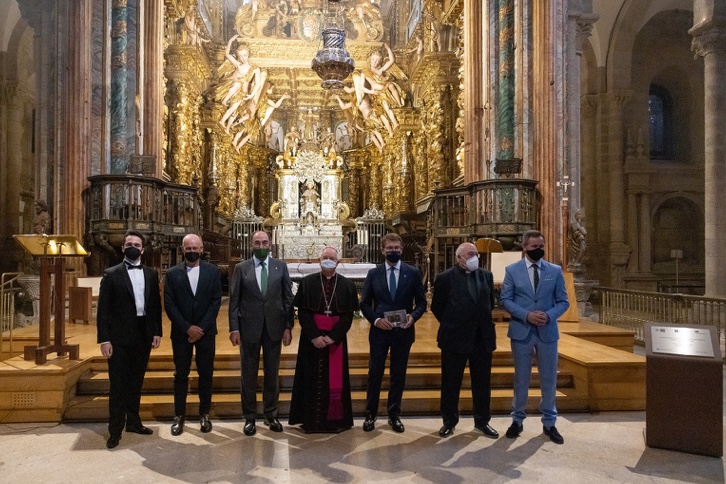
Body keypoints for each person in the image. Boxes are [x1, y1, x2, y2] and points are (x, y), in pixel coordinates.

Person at [500, 229, 570, 444]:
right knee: (521, 377)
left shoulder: (555, 270)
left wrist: (548, 316)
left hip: (547, 332)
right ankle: (517, 419)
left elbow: (563, 301)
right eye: (534, 247)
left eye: (541, 246)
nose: (538, 250)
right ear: (524, 247)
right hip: (522, 330)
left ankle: (550, 422)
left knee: (549, 378)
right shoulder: (512, 270)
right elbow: (505, 299)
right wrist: (527, 315)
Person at [96, 230, 162, 449]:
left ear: (142, 249)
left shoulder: (152, 274)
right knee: (118, 385)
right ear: (123, 248)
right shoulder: (111, 274)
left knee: (136, 382)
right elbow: (103, 310)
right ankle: (115, 430)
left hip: (143, 336)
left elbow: (154, 306)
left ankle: (133, 422)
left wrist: (156, 332)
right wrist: (104, 339)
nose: (133, 246)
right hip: (118, 338)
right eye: (129, 243)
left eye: (137, 244)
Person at [360, 233, 427, 433]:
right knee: (375, 373)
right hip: (380, 331)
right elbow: (364, 303)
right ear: (383, 250)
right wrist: (376, 320)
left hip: (403, 331)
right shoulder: (374, 274)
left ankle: (394, 414)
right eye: (389, 248)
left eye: (397, 248)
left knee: (398, 374)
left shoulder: (412, 272)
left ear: (401, 249)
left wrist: (413, 317)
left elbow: (422, 302)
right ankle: (370, 414)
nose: (393, 251)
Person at [229, 231, 294, 436]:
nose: (261, 246)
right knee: (248, 375)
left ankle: (270, 414)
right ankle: (249, 417)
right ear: (251, 245)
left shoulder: (280, 267)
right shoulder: (241, 268)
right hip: (249, 328)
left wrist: (288, 327)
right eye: (257, 243)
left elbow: (288, 299)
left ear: (271, 244)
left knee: (272, 374)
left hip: (274, 328)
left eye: (264, 242)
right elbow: (234, 301)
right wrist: (234, 328)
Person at [431, 242, 499, 439]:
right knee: (451, 382)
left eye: (476, 254)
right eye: (470, 254)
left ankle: (482, 421)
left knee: (482, 383)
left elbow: (490, 304)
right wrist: (453, 322)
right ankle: (449, 421)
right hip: (454, 337)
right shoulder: (445, 278)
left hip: (482, 338)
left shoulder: (486, 275)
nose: (474, 257)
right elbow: (437, 307)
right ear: (459, 257)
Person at [288, 246, 359, 433]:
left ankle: (334, 421)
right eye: (325, 257)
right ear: (319, 261)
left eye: (331, 258)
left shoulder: (347, 285)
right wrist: (314, 336)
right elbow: (303, 312)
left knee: (334, 380)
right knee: (309, 377)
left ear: (338, 262)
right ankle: (310, 421)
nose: (328, 260)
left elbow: (348, 316)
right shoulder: (307, 282)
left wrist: (332, 337)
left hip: (335, 340)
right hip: (311, 340)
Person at [164, 234, 222, 436]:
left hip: (206, 333)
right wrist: (187, 328)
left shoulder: (213, 272)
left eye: (195, 248)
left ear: (202, 249)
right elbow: (169, 304)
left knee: (206, 374)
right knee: (181, 375)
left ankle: (204, 414)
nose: (192, 251)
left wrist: (201, 329)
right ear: (182, 250)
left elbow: (216, 301)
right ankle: (178, 416)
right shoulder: (171, 274)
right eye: (188, 248)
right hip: (181, 333)